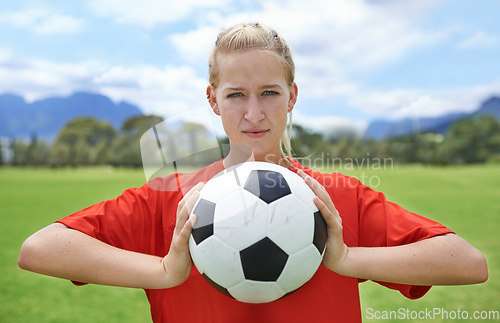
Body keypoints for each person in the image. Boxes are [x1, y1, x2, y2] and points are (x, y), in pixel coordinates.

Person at [18, 23, 488, 323]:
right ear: (212, 99)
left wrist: (348, 260)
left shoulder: (334, 198)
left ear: (293, 95)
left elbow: (469, 263)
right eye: (236, 95)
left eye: (269, 92)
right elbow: (39, 248)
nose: (254, 113)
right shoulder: (171, 198)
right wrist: (163, 270)